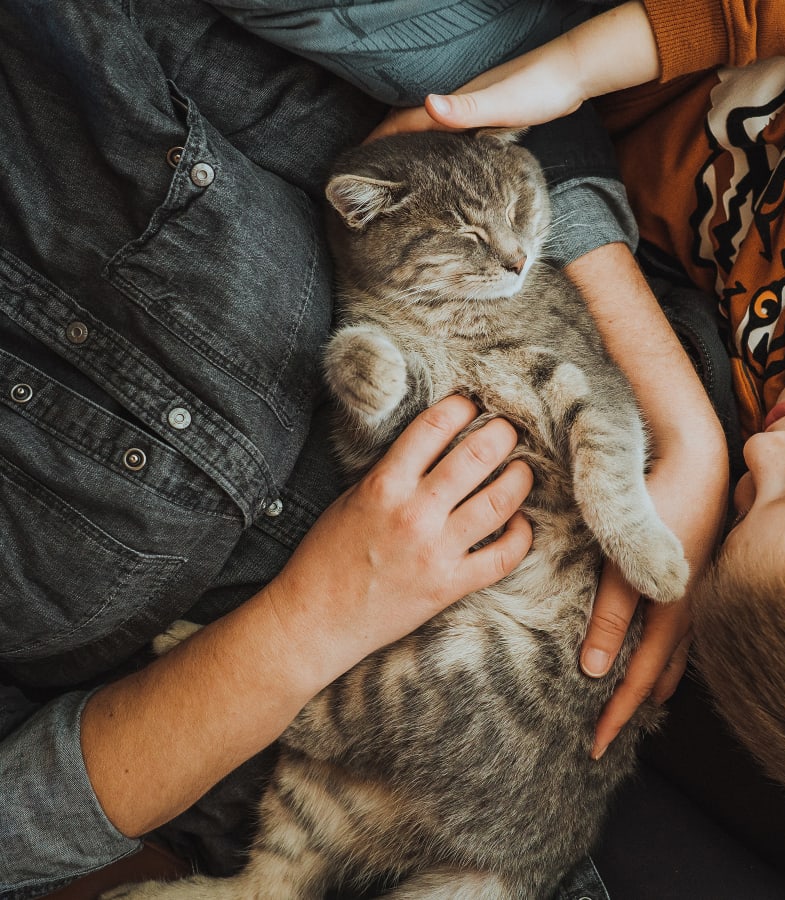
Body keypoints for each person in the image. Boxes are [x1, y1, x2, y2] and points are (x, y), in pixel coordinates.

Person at [0, 3, 728, 898]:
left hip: (574, 645)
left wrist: (686, 432)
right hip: (320, 752)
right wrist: (305, 629)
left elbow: (490, 93)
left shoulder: (60, 42)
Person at [373, 0, 785, 894]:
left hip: (538, 107)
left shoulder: (775, 426)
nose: (761, 458)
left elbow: (579, 229)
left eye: (746, 509)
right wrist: (573, 70)